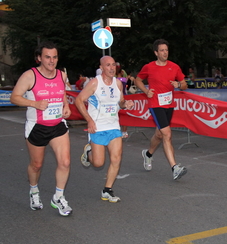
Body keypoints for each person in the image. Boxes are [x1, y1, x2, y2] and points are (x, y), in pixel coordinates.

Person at [10, 41, 73, 216]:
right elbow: (14, 97)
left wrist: (66, 106)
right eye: (47, 57)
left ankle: (58, 197)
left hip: (58, 125)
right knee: (36, 165)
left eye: (54, 57)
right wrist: (34, 103)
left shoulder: (62, 75)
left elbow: (62, 93)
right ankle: (34, 191)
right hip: (37, 127)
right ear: (39, 58)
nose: (52, 61)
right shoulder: (30, 76)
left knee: (65, 162)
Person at [75, 56, 134, 203]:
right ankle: (88, 153)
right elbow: (78, 100)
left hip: (113, 126)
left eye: (113, 65)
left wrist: (125, 104)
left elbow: (120, 103)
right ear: (101, 68)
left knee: (116, 159)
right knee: (98, 163)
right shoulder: (95, 83)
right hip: (98, 127)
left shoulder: (118, 84)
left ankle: (107, 190)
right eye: (108, 65)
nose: (112, 68)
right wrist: (89, 120)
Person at [134, 39, 188, 180]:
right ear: (156, 53)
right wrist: (146, 92)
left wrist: (178, 84)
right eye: (162, 50)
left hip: (169, 105)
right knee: (167, 134)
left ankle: (148, 154)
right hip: (155, 104)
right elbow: (137, 80)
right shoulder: (149, 67)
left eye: (166, 50)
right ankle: (174, 168)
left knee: (159, 135)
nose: (165, 52)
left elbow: (184, 85)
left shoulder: (174, 67)